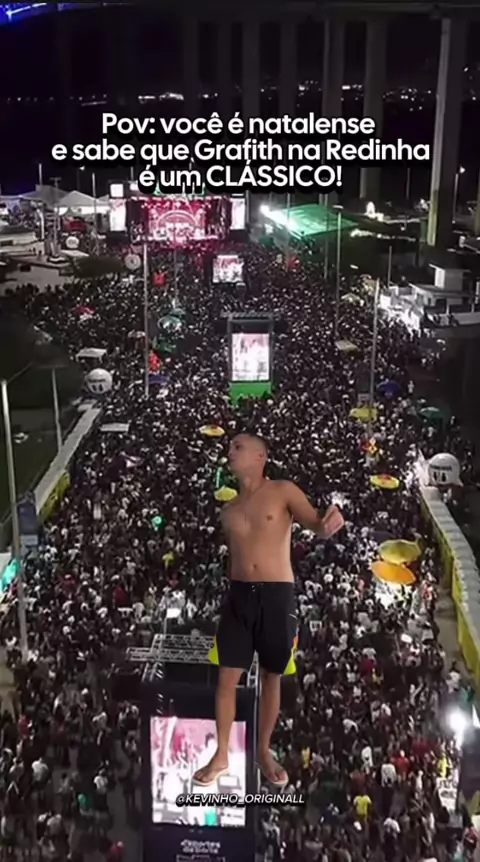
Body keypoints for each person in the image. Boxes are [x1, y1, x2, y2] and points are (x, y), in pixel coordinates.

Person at [193, 432, 344, 788]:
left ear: (260, 456)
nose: (230, 452)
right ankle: (222, 754)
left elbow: (315, 523)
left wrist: (327, 525)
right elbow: (236, 558)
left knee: (271, 675)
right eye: (230, 447)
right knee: (226, 679)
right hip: (238, 596)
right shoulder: (228, 510)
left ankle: (263, 750)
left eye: (238, 447)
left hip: (277, 594)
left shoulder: (283, 491)